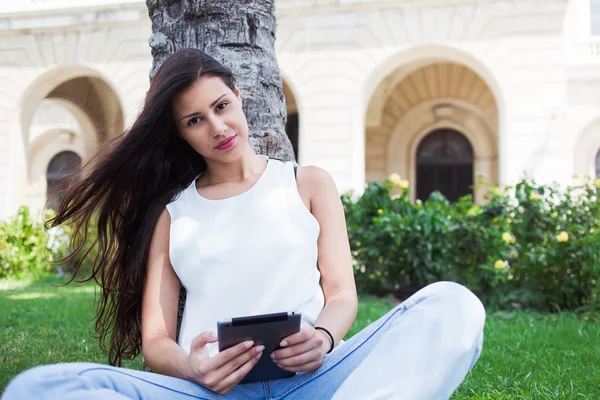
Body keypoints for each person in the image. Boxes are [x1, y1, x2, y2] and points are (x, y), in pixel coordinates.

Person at [2, 48, 486, 400]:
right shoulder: (174, 214)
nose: (216, 127)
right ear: (180, 134)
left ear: (237, 96)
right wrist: (193, 367)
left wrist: (322, 338)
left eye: (220, 106)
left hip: (316, 381)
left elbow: (341, 294)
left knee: (453, 303)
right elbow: (156, 341)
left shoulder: (308, 184)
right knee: (40, 386)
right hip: (210, 393)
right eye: (194, 121)